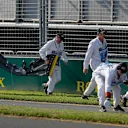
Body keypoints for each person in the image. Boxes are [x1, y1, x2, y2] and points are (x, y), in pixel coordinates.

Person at [82, 28, 108, 99]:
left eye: (104, 33)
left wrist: (107, 63)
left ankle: (85, 95)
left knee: (94, 80)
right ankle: (100, 97)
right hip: (95, 64)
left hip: (103, 64)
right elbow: (88, 54)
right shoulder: (93, 42)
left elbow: (105, 53)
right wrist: (85, 66)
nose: (103, 35)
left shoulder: (105, 41)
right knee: (102, 79)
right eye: (102, 33)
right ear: (98, 34)